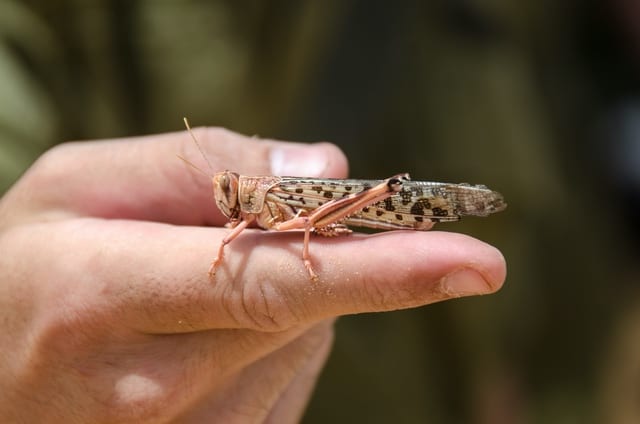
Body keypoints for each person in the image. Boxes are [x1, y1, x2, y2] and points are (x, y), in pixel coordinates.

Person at [0, 126, 505, 422]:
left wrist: (301, 253)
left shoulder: (266, 198)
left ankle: (441, 197)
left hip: (342, 212)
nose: (227, 200)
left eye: (229, 190)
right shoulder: (244, 207)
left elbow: (296, 222)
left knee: (388, 188)